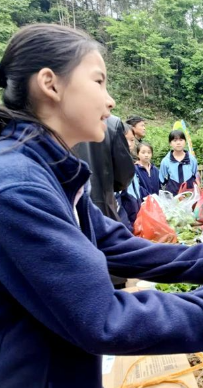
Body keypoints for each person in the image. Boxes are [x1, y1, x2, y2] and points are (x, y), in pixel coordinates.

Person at [0, 24, 203, 387]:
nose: (110, 101)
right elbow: (103, 318)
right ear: (50, 84)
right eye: (98, 82)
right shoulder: (13, 188)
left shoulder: (41, 170)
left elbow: (109, 242)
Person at [74, 115, 135, 289]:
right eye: (100, 86)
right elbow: (124, 176)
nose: (110, 101)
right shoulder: (110, 124)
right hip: (104, 208)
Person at [159, 130, 198, 196]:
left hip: (190, 197)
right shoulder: (166, 161)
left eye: (181, 140)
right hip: (172, 197)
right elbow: (162, 180)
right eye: (175, 140)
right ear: (170, 143)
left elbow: (196, 177)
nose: (178, 143)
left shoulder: (192, 160)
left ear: (185, 142)